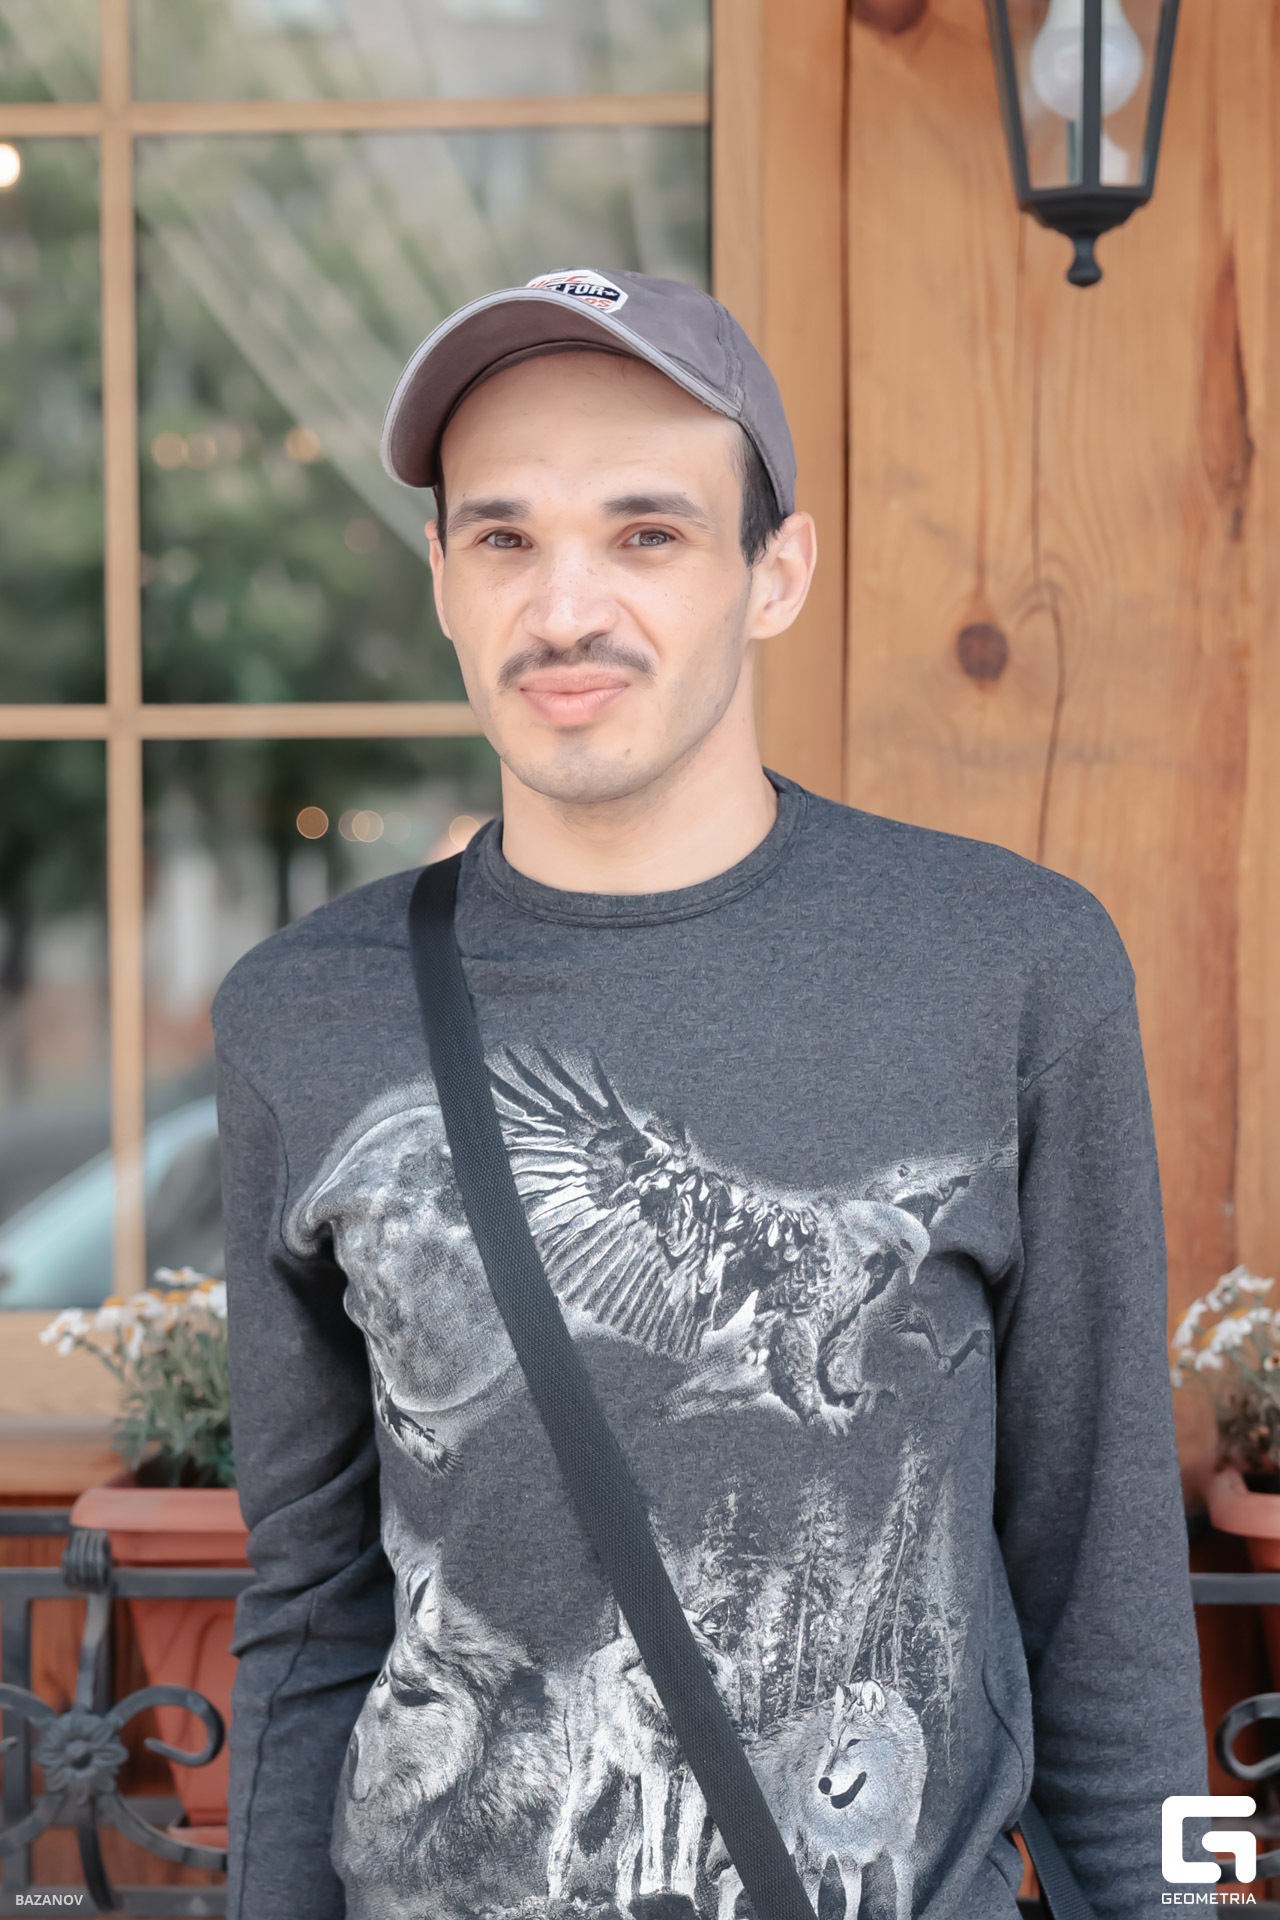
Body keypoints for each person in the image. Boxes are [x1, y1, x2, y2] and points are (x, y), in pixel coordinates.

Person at [213, 267, 1209, 1920]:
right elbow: (308, 1617)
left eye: (648, 533)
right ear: (445, 580)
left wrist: (1205, 1896)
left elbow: (1112, 1595)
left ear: (775, 573)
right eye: (505, 537)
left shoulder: (1015, 966)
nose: (565, 609)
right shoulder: (302, 1016)